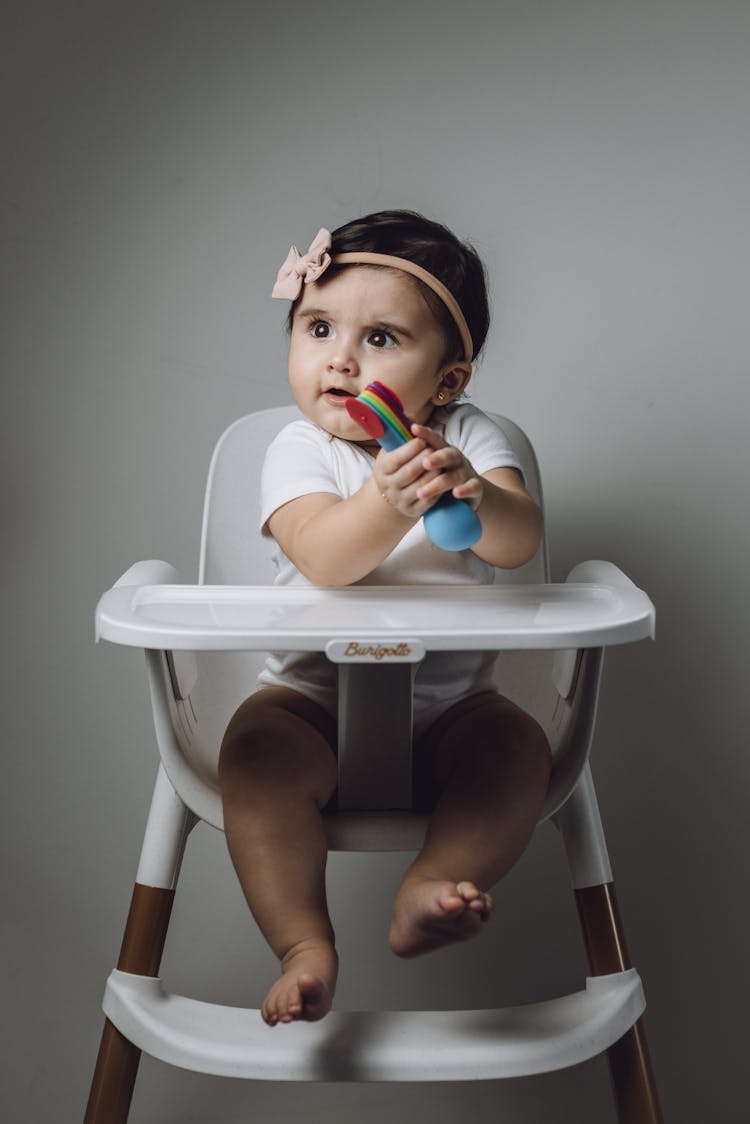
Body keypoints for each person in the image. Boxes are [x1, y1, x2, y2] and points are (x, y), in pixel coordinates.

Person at [219, 210, 552, 1027]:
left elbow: (518, 542)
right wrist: (382, 500)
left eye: (381, 339)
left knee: (516, 749)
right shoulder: (300, 450)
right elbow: (326, 556)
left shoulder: (467, 438)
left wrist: (475, 489)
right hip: (312, 704)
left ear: (447, 381)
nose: (339, 358)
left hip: (450, 712)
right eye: (319, 327)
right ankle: (303, 944)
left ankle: (432, 883)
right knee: (254, 754)